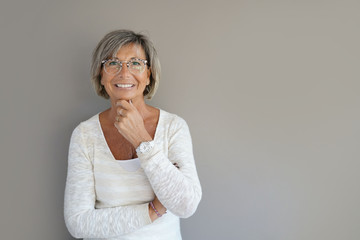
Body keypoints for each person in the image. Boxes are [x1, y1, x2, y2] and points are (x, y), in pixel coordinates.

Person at [64, 29, 202, 240]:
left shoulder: (173, 128)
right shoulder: (84, 135)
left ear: (149, 75)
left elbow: (186, 205)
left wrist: (141, 139)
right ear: (101, 76)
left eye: (136, 63)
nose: (124, 73)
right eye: (112, 63)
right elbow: (78, 223)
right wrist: (152, 211)